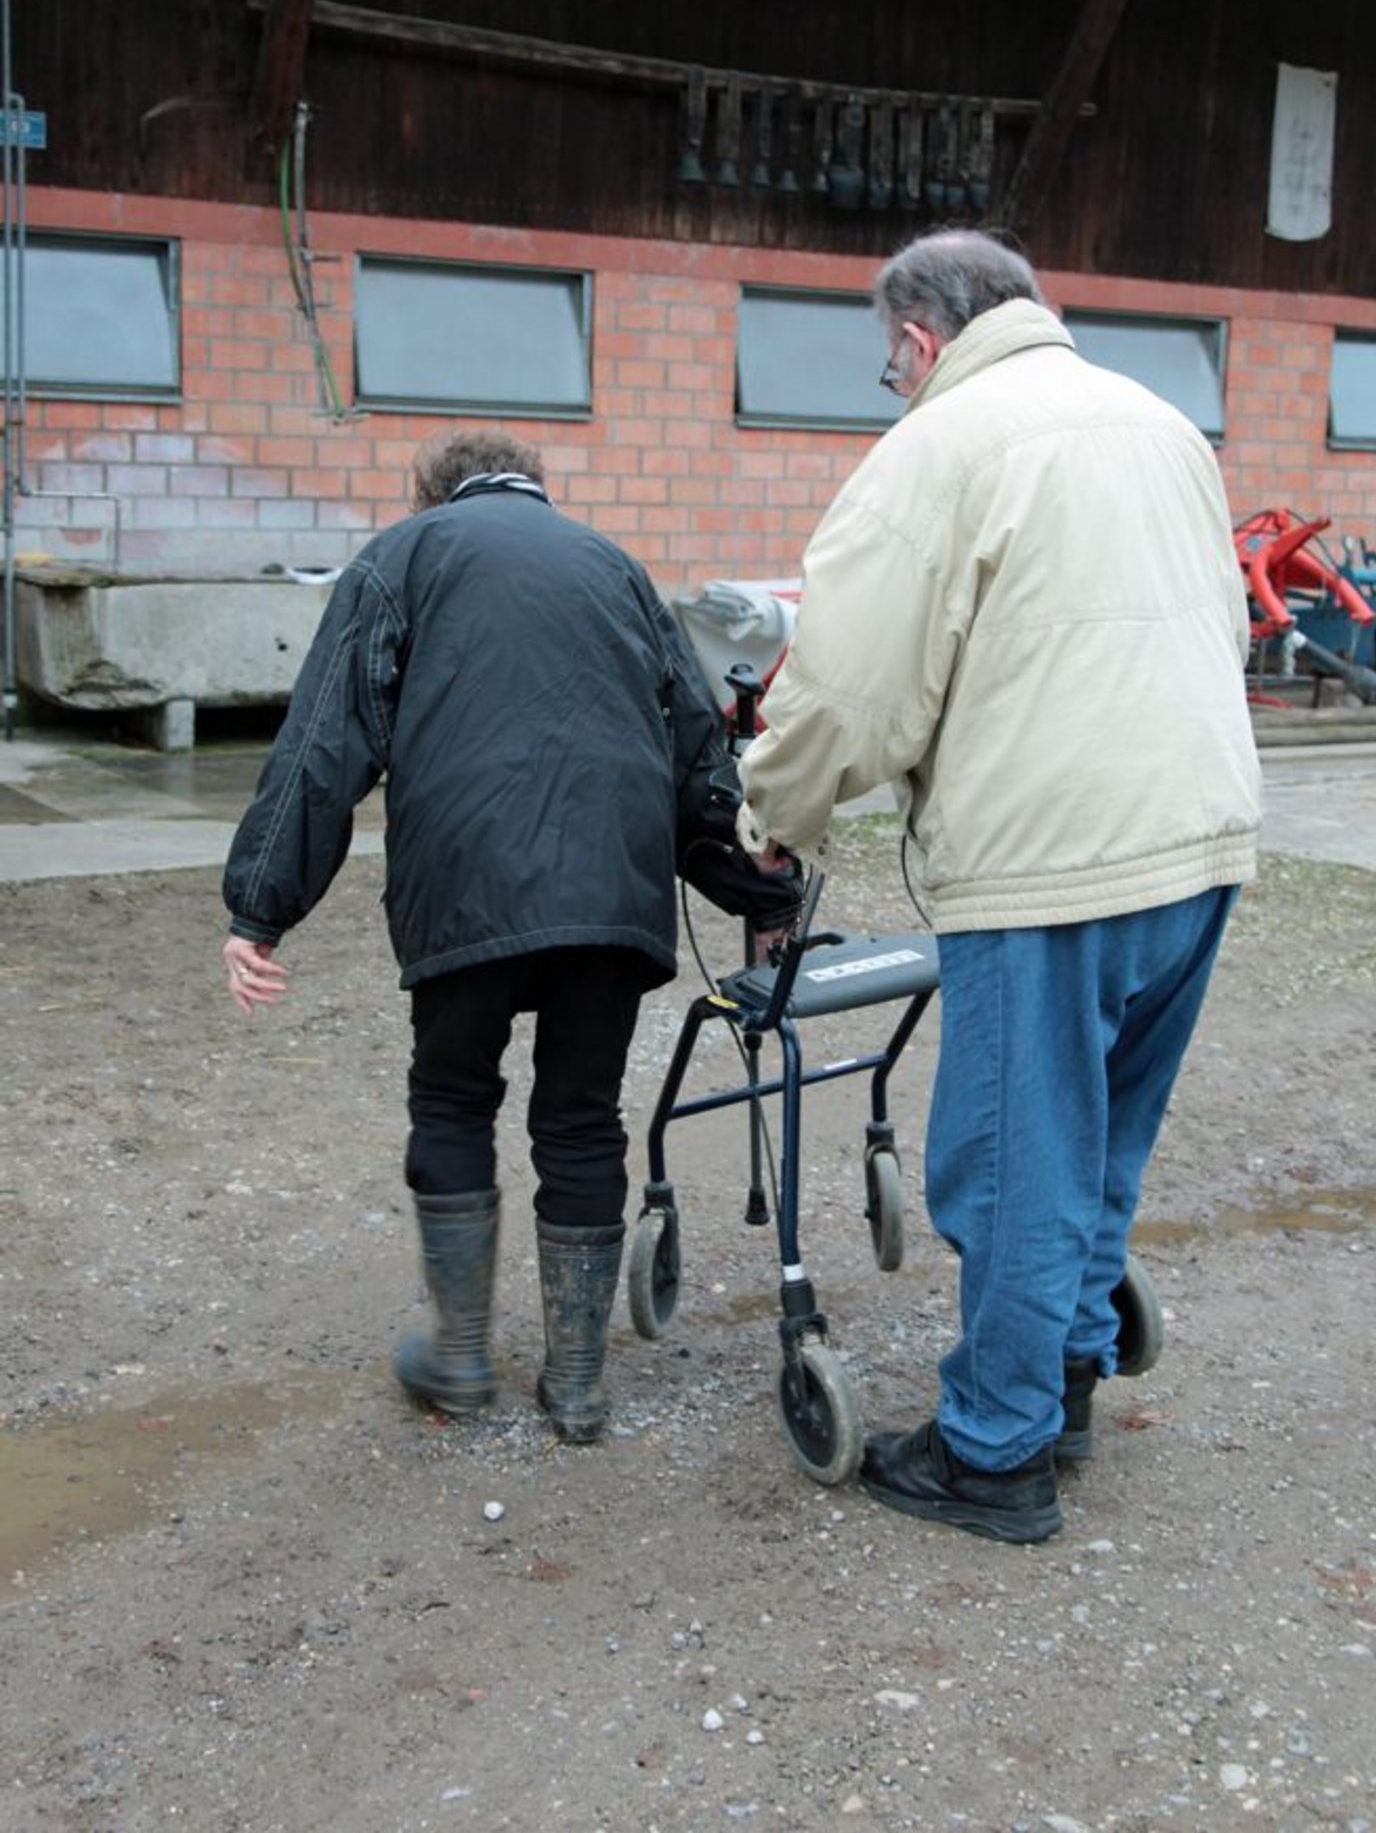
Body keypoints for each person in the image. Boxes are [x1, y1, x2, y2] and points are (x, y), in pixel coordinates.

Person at [737, 229, 1261, 1543]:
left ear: (919, 340)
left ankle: (994, 1450)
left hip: (1051, 858)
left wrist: (774, 814)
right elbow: (1226, 622)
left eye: (891, 365)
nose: (897, 384)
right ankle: (1064, 1380)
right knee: (1100, 1138)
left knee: (1014, 1157)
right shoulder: (1162, 425)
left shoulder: (940, 446)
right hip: (1199, 836)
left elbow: (848, 687)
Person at [222, 431, 799, 1444]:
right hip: (612, 891)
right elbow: (695, 752)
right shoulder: (616, 567)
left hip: (463, 883)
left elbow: (324, 735)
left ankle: (459, 1357)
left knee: (453, 1097)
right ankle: (576, 1384)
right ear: (536, 488)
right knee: (580, 1118)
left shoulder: (403, 556)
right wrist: (761, 893)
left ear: (431, 492)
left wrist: (261, 905)